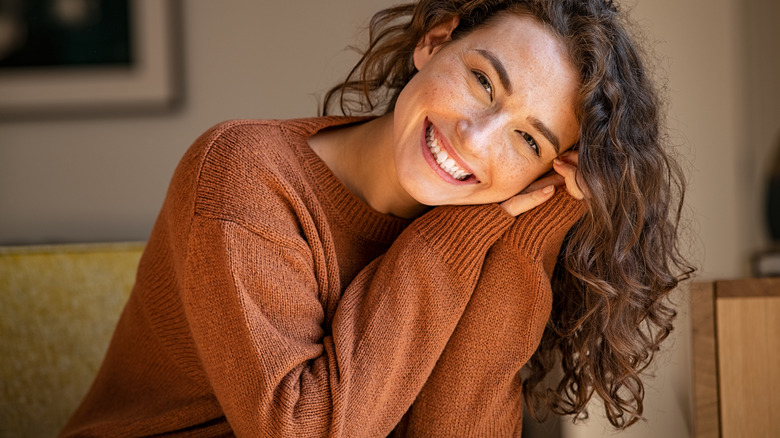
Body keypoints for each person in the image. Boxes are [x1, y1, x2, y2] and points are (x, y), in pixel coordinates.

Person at [61, 0, 693, 436]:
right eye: (482, 81)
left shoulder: (489, 231)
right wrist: (462, 229)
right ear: (434, 42)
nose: (475, 138)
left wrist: (527, 236)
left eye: (529, 142)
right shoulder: (244, 175)